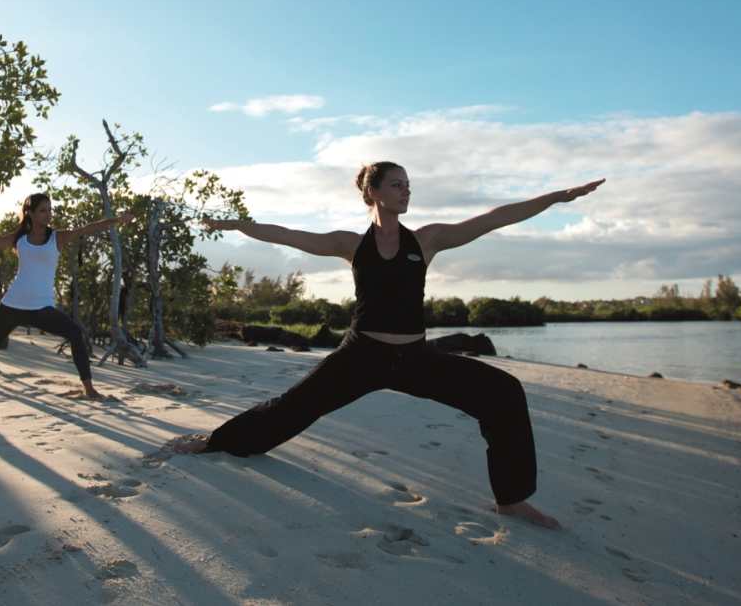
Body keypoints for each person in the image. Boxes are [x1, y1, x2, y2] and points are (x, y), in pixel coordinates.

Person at [168, 162, 604, 530]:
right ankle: (217, 442)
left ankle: (511, 499)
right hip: (362, 355)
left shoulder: (427, 240)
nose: (406, 191)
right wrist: (235, 226)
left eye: (408, 185)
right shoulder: (351, 244)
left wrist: (556, 198)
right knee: (293, 407)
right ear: (373, 192)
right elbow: (286, 234)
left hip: (415, 358)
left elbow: (494, 218)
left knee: (503, 392)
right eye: (397, 185)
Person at [0, 193, 132, 399]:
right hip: (12, 304)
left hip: (41, 308)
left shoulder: (57, 238)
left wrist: (117, 220)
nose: (48, 214)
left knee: (75, 334)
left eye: (50, 210)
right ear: (30, 213)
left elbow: (88, 228)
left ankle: (89, 389)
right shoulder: (19, 239)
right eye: (43, 210)